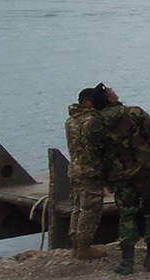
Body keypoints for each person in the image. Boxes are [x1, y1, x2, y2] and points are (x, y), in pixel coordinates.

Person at [85, 83, 150, 274]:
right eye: (110, 90)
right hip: (147, 172)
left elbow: (95, 159)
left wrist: (106, 181)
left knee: (127, 215)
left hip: (120, 177)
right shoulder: (134, 113)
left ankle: (127, 261)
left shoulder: (94, 126)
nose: (113, 90)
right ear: (111, 99)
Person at [64, 87, 107, 259]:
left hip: (75, 169)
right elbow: (98, 147)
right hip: (90, 171)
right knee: (90, 210)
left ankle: (76, 243)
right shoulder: (91, 120)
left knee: (77, 208)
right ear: (88, 102)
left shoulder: (70, 121)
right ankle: (84, 247)